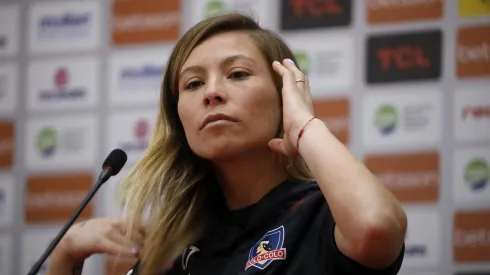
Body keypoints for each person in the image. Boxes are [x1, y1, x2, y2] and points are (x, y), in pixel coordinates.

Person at [46, 13, 407, 275]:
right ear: (178, 118)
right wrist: (64, 256)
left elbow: (375, 227)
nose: (212, 93)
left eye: (237, 74)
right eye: (193, 84)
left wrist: (303, 126)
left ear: (285, 95)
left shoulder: (321, 214)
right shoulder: (173, 245)